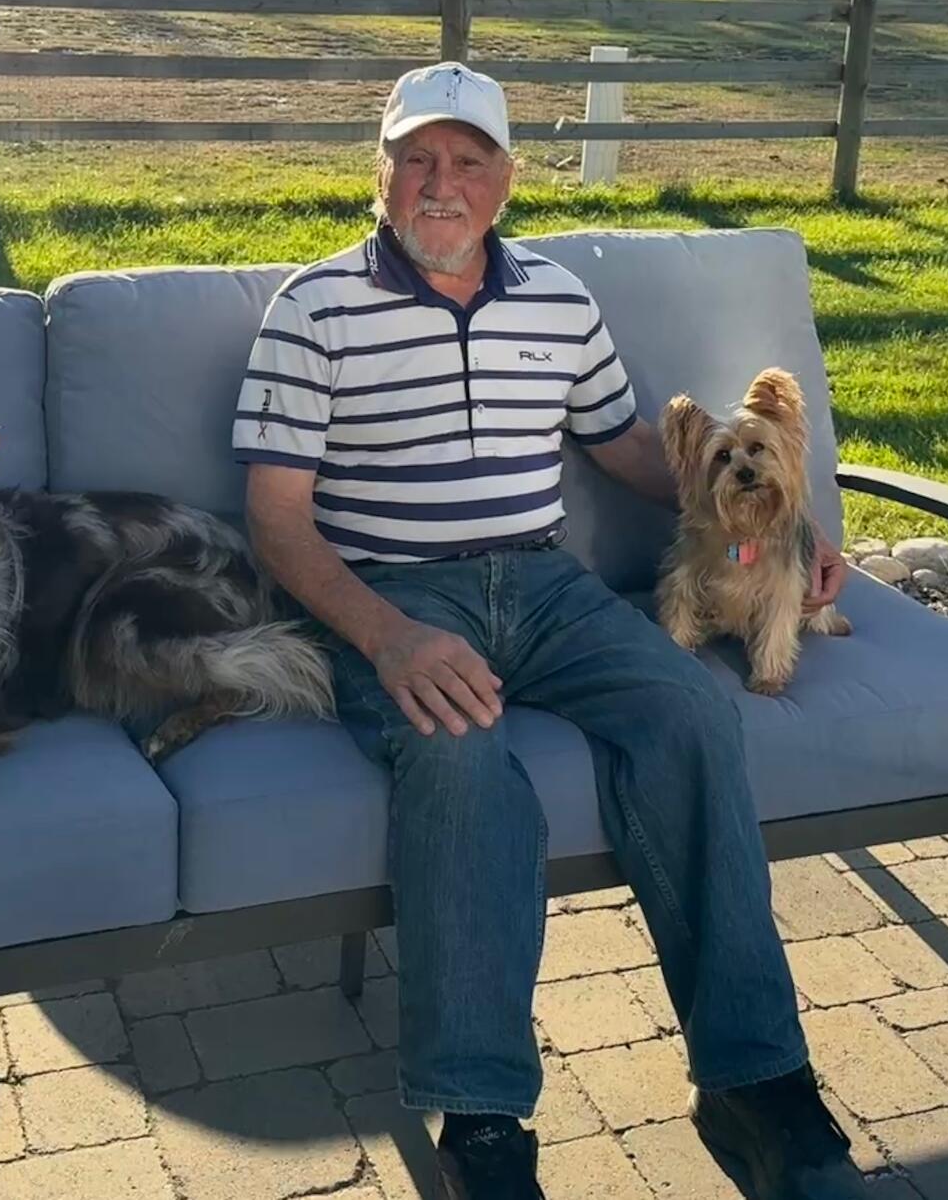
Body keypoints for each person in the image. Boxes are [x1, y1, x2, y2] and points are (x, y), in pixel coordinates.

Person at [232, 62, 863, 1200]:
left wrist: (782, 530)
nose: (441, 182)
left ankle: (753, 1080)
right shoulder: (311, 308)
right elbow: (275, 521)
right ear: (379, 174)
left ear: (504, 180)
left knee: (689, 712)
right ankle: (481, 1121)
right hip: (399, 591)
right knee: (461, 758)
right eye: (416, 158)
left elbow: (628, 448)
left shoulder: (558, 297)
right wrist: (384, 636)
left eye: (466, 160)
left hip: (545, 584)